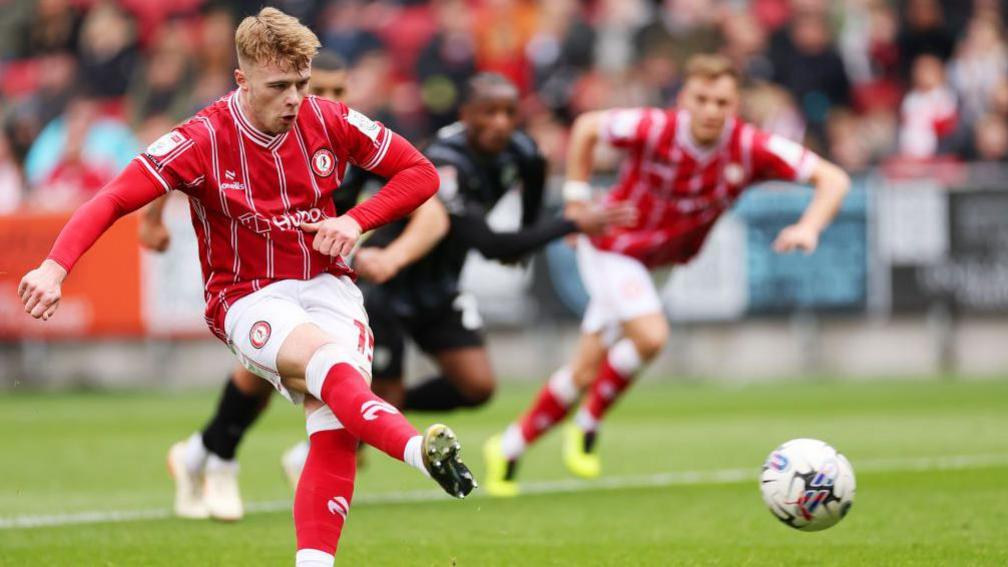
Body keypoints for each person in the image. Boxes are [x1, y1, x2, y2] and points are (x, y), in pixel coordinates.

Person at [18, 9, 475, 566]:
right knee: (328, 364)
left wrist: (356, 221)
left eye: (301, 85)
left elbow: (420, 173)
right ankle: (417, 451)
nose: (293, 99)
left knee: (333, 426)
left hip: (329, 285)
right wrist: (53, 267)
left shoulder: (329, 119)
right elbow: (112, 197)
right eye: (279, 86)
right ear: (242, 81)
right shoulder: (201, 137)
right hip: (248, 295)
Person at [482, 54, 851, 497]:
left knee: (583, 371)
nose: (712, 110)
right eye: (702, 99)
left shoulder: (750, 147)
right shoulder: (654, 127)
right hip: (612, 247)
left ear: (735, 105)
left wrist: (809, 226)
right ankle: (589, 421)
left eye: (722, 102)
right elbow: (586, 128)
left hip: (662, 264)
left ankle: (507, 448)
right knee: (652, 335)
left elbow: (833, 179)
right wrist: (577, 202)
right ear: (684, 99)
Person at [278, 73, 635, 481]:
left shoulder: (524, 154)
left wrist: (535, 235)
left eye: (509, 113)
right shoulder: (446, 163)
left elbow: (522, 226)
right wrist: (570, 222)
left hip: (441, 286)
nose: (500, 122)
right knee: (386, 399)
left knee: (476, 386)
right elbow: (489, 244)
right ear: (466, 115)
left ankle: (365, 414)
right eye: (489, 113)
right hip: (389, 283)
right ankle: (317, 447)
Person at [138, 49, 379, 524]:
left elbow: (402, 194)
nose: (323, 99)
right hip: (253, 268)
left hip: (320, 274)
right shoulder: (256, 120)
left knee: (312, 371)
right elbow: (176, 161)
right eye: (319, 89)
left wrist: (359, 234)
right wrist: (152, 220)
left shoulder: (348, 131)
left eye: (337, 91)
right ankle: (220, 462)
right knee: (271, 370)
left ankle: (196, 456)